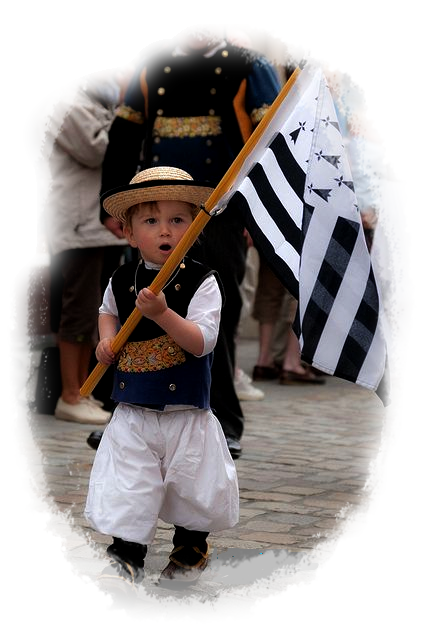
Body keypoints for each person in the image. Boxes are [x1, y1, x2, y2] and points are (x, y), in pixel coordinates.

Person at [97, 28, 281, 457]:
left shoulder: (249, 64)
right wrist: (110, 203)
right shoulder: (152, 59)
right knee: (138, 307)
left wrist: (259, 213)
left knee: (217, 313)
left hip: (221, 212)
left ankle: (222, 418)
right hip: (153, 209)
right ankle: (125, 410)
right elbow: (123, 135)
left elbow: (269, 144)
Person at [84, 166, 239, 587]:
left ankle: (190, 545)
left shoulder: (203, 282)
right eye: (151, 221)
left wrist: (163, 313)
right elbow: (107, 312)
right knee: (129, 482)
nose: (165, 230)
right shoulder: (121, 278)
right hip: (133, 408)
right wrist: (107, 340)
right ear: (131, 233)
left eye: (177, 220)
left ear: (194, 226)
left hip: (185, 410)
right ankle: (126, 552)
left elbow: (201, 341)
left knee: (191, 484)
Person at [45, 72, 129, 424]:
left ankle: (83, 390)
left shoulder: (94, 102)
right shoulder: (65, 101)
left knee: (93, 310)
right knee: (77, 309)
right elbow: (98, 151)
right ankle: (69, 394)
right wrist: (126, 117)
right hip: (77, 224)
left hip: (96, 226)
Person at [251, 255, 325, 384]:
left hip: (271, 235)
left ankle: (263, 362)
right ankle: (292, 363)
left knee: (269, 286)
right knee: (301, 287)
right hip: (302, 237)